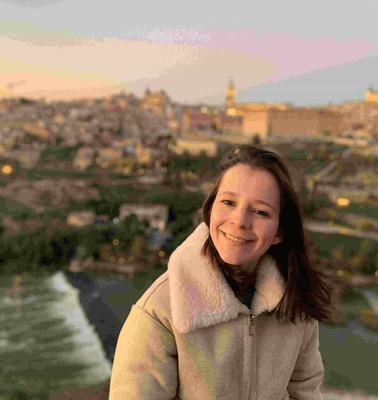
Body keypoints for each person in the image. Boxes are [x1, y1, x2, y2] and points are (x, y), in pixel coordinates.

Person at [109, 144, 332, 399]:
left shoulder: (295, 302)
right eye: (228, 202)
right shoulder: (160, 308)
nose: (239, 221)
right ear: (210, 209)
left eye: (260, 211)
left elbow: (304, 392)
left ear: (280, 232)